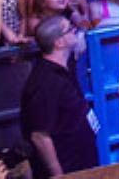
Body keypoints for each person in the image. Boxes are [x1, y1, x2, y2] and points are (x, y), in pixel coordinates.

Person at [20, 16, 99, 176]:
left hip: (83, 162)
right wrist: (58, 174)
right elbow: (39, 135)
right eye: (70, 29)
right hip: (68, 168)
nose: (74, 30)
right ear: (59, 42)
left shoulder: (64, 67)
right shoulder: (44, 82)